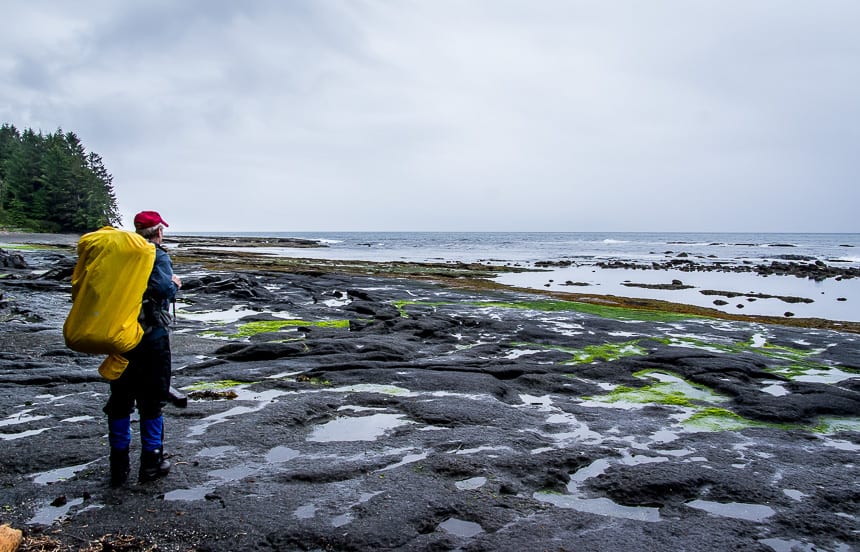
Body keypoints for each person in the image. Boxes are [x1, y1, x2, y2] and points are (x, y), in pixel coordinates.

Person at [104, 211, 182, 486]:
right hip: (151, 338)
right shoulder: (156, 255)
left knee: (120, 401)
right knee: (152, 400)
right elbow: (162, 290)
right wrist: (174, 285)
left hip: (119, 335)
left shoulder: (121, 255)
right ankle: (151, 463)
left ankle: (118, 467)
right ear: (158, 231)